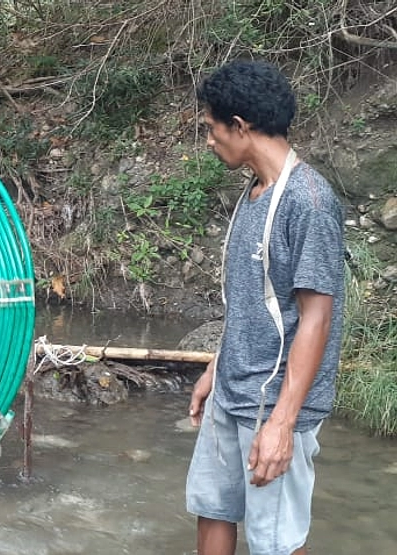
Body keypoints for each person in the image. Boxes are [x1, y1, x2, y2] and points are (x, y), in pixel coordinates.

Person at [185, 60, 345, 555]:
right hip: (231, 391)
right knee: (214, 508)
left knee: (276, 541)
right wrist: (216, 367)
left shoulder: (309, 202)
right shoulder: (253, 194)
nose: (208, 141)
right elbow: (252, 300)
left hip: (275, 403)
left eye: (211, 129)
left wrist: (282, 423)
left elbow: (317, 317)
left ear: (240, 126)